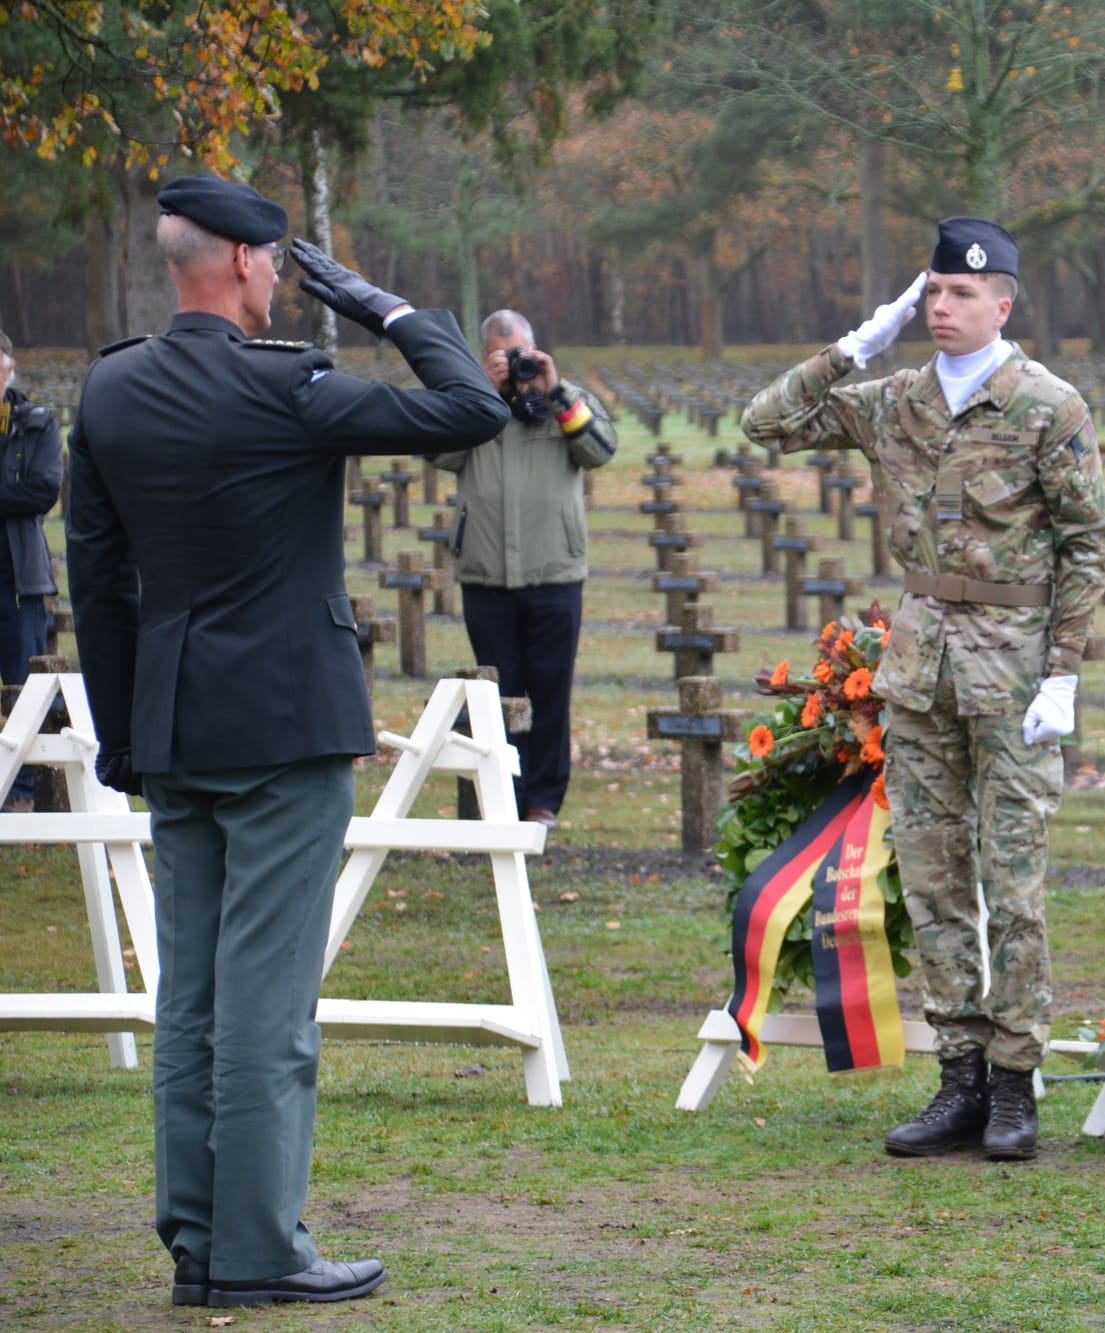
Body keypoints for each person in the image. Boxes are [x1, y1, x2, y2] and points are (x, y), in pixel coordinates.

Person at [64, 175, 508, 1308]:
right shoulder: (293, 389)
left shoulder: (109, 390)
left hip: (171, 723)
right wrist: (390, 314)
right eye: (280, 264)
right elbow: (471, 410)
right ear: (254, 264)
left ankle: (197, 1239)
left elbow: (100, 579)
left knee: (193, 1001)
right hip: (284, 729)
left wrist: (125, 734)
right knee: (265, 1003)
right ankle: (260, 1250)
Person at [741, 218, 1105, 1161]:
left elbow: (1088, 546)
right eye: (932, 293)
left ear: (1004, 303)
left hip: (1016, 671)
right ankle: (959, 1074)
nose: (942, 308)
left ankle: (1017, 1083)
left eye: (961, 294)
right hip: (921, 668)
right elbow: (765, 422)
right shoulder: (893, 399)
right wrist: (851, 348)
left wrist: (1063, 671)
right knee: (937, 879)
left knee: (1013, 883)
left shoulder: (1046, 405)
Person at [430, 312, 616, 831]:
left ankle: (542, 803)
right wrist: (479, 390)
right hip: (487, 575)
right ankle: (502, 797)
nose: (516, 364)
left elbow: (600, 449)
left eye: (521, 353)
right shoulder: (470, 402)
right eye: (501, 354)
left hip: (554, 572)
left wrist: (555, 393)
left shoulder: (568, 400)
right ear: (483, 354)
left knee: (551, 692)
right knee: (496, 697)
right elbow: (436, 451)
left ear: (537, 348)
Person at [0, 332, 62, 812]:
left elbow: (42, 492)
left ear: (10, 367)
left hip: (19, 581)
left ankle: (20, 797)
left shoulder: (37, 423)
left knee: (25, 691)